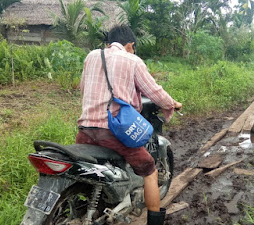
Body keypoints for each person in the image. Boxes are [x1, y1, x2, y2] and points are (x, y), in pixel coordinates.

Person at [75, 25, 182, 225]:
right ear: (130, 45)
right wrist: (172, 104)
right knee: (150, 170)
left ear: (108, 43)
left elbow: (83, 88)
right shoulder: (132, 60)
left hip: (85, 130)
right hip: (113, 133)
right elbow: (155, 92)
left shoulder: (91, 56)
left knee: (88, 172)